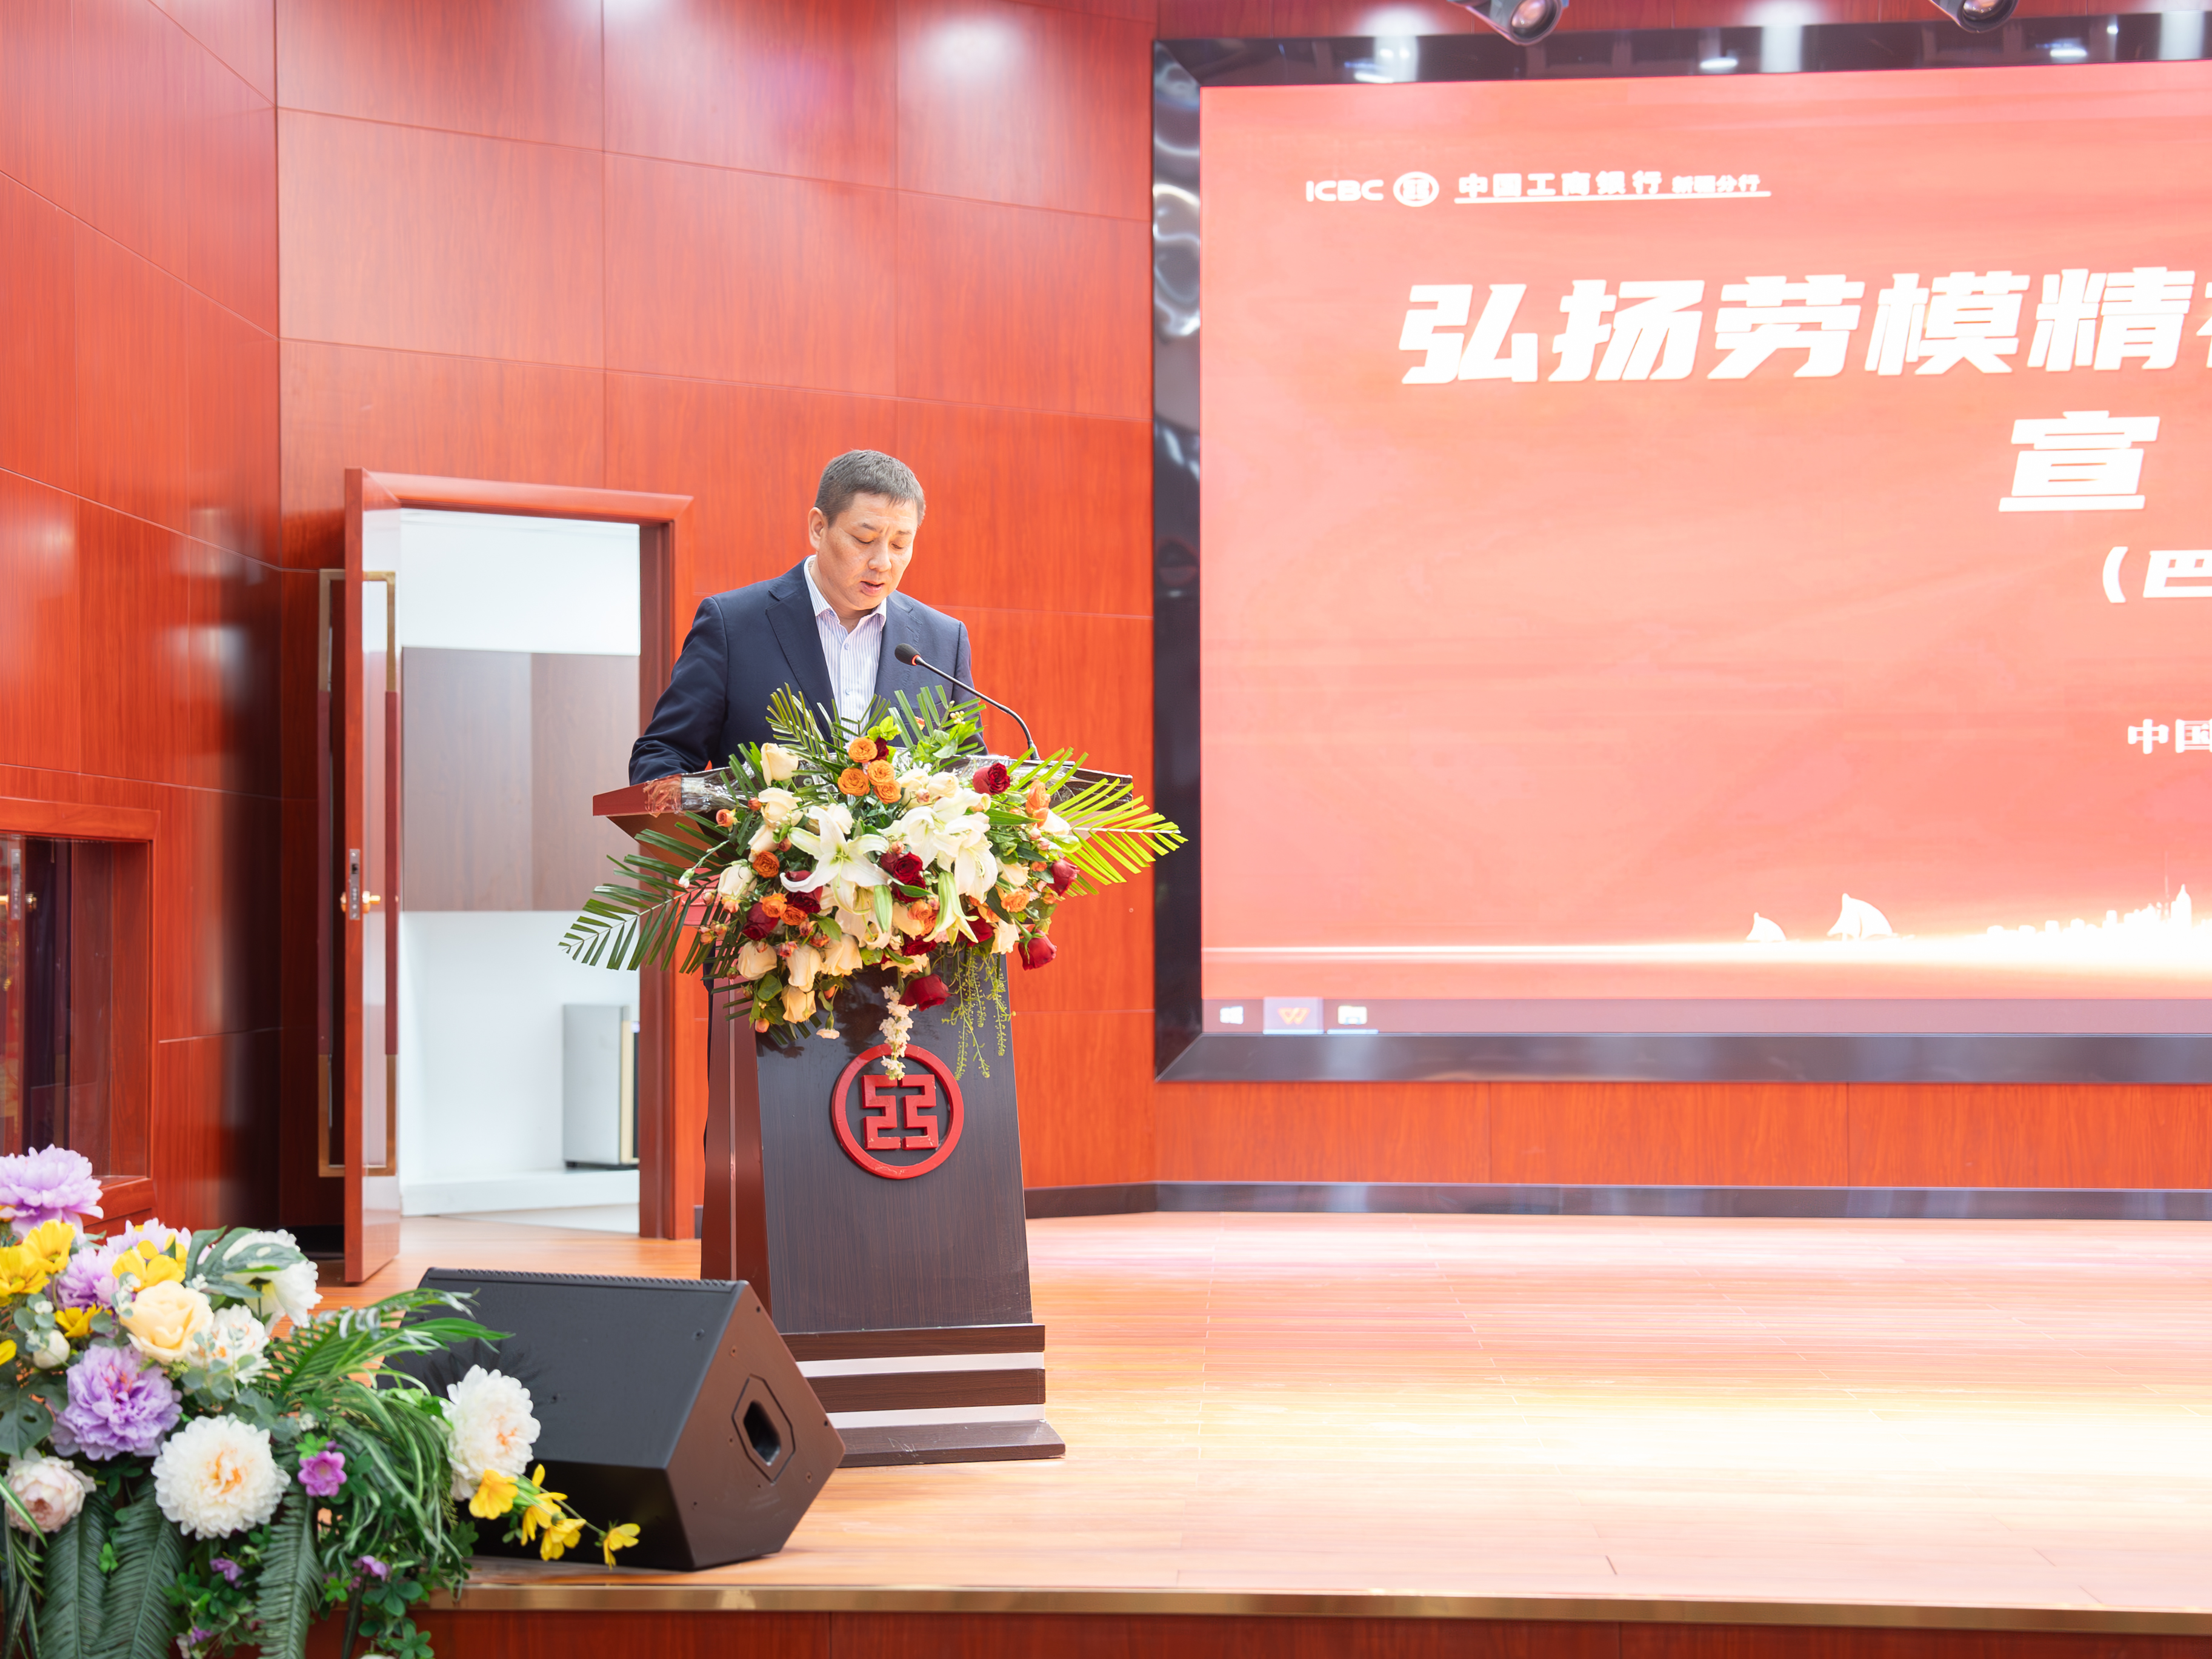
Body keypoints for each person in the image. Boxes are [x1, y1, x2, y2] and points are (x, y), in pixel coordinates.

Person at [628, 451, 972, 783]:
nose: (882, 562)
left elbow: (967, 771)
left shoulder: (944, 641)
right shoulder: (732, 625)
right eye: (864, 539)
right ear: (819, 528)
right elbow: (662, 756)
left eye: (899, 545)